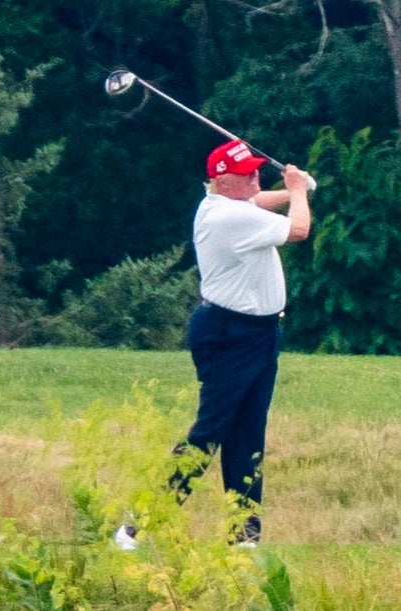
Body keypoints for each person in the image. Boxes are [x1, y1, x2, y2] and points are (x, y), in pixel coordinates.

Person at [115, 140, 311, 550]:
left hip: (259, 334)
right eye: (248, 175)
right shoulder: (226, 218)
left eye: (257, 171)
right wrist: (295, 191)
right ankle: (136, 528)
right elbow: (299, 229)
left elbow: (258, 200)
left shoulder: (228, 205)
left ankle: (244, 536)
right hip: (229, 335)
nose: (257, 178)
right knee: (209, 434)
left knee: (248, 434)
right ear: (223, 181)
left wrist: (297, 188)